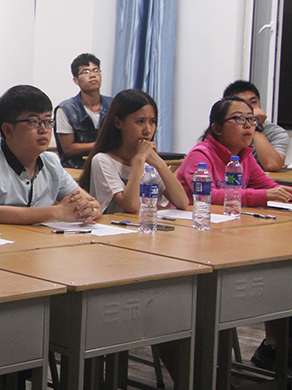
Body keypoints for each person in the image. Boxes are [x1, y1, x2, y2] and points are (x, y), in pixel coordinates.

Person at [176, 96, 292, 374]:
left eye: (251, 119)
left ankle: (277, 349)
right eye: (239, 119)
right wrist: (263, 195)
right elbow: (210, 194)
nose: (248, 125)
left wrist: (281, 194)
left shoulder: (245, 156)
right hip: (193, 241)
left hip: (230, 236)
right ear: (217, 128)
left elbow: (269, 186)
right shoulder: (201, 154)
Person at [0, 85, 102, 227]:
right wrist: (57, 212)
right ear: (8, 130)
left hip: (31, 238)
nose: (43, 129)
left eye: (48, 121)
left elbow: (92, 205)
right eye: (34, 122)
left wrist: (88, 210)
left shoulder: (51, 162)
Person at [79, 89, 188, 214]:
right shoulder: (103, 160)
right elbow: (131, 206)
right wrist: (138, 161)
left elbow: (182, 202)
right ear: (118, 122)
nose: (148, 130)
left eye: (152, 122)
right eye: (140, 122)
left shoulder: (149, 163)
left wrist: (159, 164)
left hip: (143, 224)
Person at [54, 53, 114, 169]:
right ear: (76, 80)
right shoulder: (66, 109)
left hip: (109, 165)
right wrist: (103, 145)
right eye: (86, 72)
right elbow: (68, 149)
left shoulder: (113, 104)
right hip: (77, 166)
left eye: (96, 70)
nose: (92, 75)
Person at [222, 80, 288, 171]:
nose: (249, 108)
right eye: (242, 103)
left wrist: (256, 127)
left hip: (259, 178)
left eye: (253, 102)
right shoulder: (224, 128)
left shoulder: (276, 133)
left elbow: (272, 165)